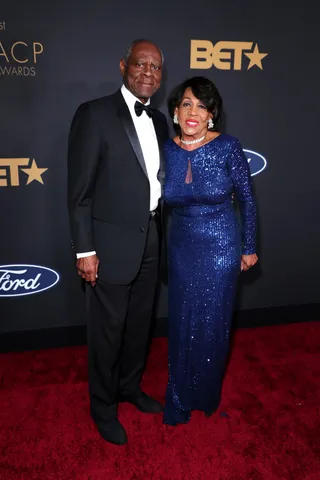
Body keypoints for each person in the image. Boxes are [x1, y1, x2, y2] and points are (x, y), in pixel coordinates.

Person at [67, 39, 169, 445]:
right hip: (107, 246)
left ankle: (129, 388)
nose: (148, 72)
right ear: (124, 66)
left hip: (151, 239)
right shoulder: (93, 115)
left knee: (139, 326)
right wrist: (84, 248)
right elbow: (79, 192)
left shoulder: (161, 121)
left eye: (156, 67)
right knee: (107, 332)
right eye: (141, 64)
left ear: (161, 76)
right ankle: (103, 406)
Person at [163, 76, 258, 426]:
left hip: (221, 244)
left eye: (202, 106)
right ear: (175, 111)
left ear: (212, 115)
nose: (193, 112)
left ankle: (206, 392)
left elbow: (247, 199)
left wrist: (249, 247)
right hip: (182, 244)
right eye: (187, 103)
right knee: (182, 319)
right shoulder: (167, 150)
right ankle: (179, 393)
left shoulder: (228, 147)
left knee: (214, 321)